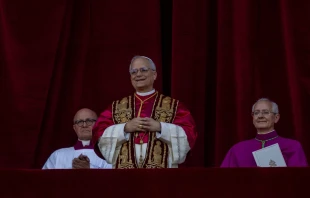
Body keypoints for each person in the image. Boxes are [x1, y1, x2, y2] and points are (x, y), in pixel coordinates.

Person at [92, 55, 197, 168]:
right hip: (124, 174)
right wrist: (125, 128)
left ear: (154, 75)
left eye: (143, 70)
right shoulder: (115, 107)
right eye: (134, 72)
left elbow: (189, 134)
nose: (138, 74)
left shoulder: (174, 106)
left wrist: (161, 127)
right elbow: (99, 135)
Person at [221, 98, 308, 167]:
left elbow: (300, 180)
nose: (260, 116)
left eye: (266, 112)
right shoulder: (237, 150)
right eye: (256, 113)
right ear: (253, 118)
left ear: (276, 118)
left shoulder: (292, 147)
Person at [43, 108, 112, 169]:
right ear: (75, 128)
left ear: (97, 125)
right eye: (80, 122)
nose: (84, 125)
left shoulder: (109, 154)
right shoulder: (58, 155)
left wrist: (90, 169)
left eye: (89, 121)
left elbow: (113, 179)